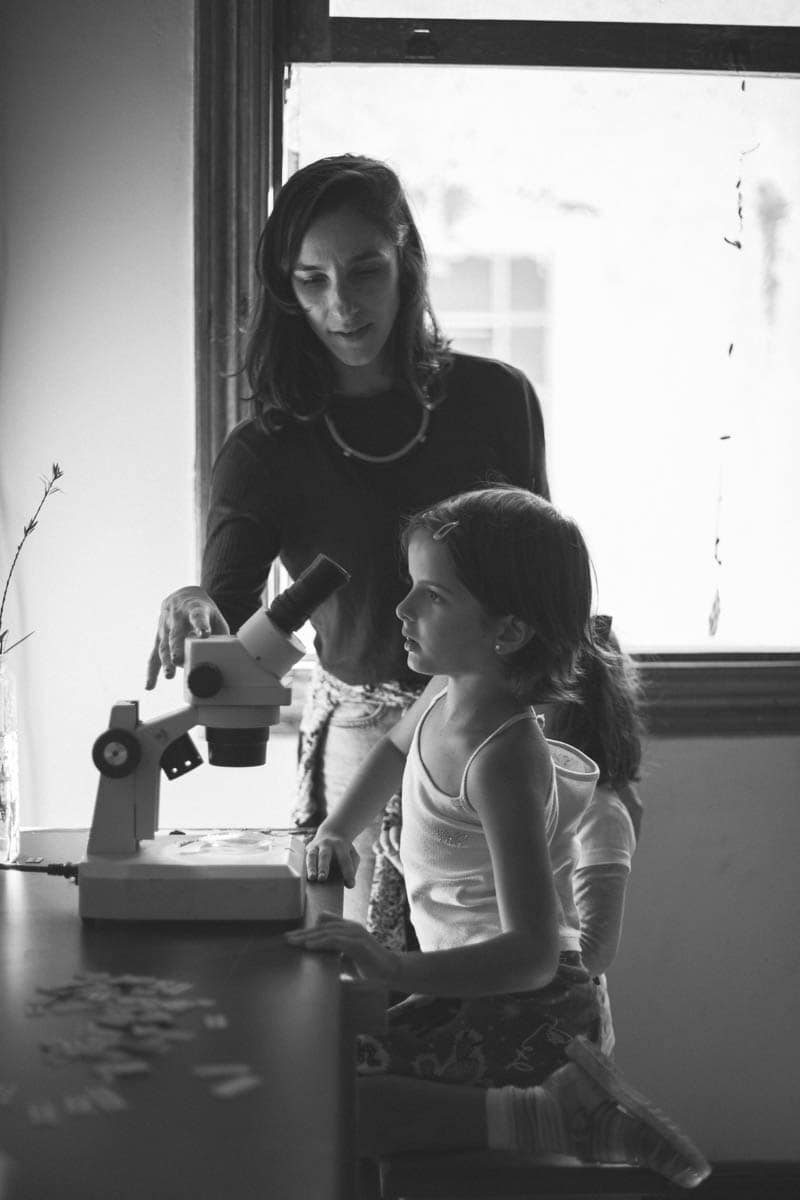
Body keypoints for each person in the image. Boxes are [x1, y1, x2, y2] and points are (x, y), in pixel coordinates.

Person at [145, 154, 550, 923]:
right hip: (363, 739)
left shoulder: (498, 400)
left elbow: (544, 581)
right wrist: (189, 600)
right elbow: (230, 634)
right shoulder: (265, 449)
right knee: (355, 970)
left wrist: (592, 737)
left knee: (495, 957)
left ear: (407, 262)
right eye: (312, 280)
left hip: (490, 722)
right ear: (286, 289)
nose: (342, 305)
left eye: (365, 271)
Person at [285, 487, 710, 1191]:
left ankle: (556, 1116)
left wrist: (391, 969)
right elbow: (391, 751)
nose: (402, 609)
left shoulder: (503, 758)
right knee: (314, 1065)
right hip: (478, 988)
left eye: (431, 595)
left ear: (507, 632)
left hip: (533, 1009)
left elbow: (533, 953)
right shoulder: (444, 689)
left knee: (326, 1099)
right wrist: (337, 828)